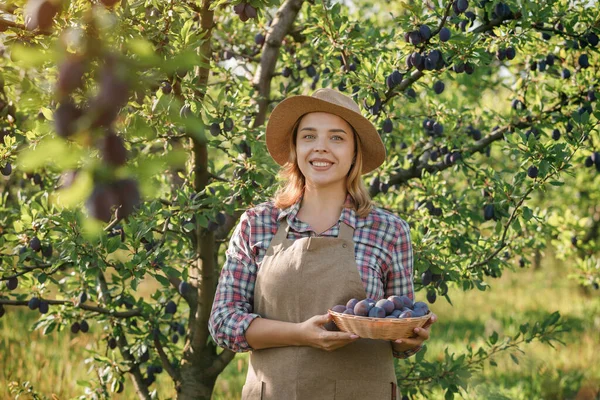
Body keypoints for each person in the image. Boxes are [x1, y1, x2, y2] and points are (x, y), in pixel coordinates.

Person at [209, 88, 438, 399]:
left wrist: (410, 338)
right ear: (295, 148)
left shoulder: (389, 230)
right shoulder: (257, 224)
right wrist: (301, 335)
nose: (320, 148)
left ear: (355, 152)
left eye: (336, 138)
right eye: (308, 136)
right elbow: (223, 322)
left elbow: (400, 328)